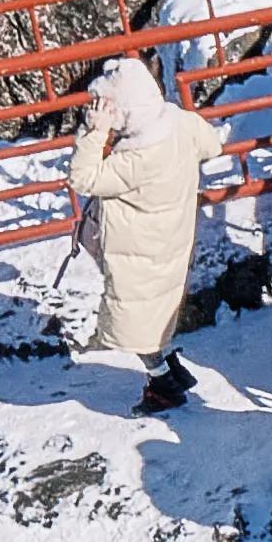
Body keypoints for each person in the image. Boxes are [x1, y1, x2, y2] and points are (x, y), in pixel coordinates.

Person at [64, 53, 215, 411]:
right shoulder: (179, 122)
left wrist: (94, 132)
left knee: (135, 322)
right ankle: (166, 368)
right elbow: (212, 144)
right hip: (170, 238)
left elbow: (82, 178)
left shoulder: (133, 160)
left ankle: (162, 383)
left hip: (137, 253)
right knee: (152, 313)